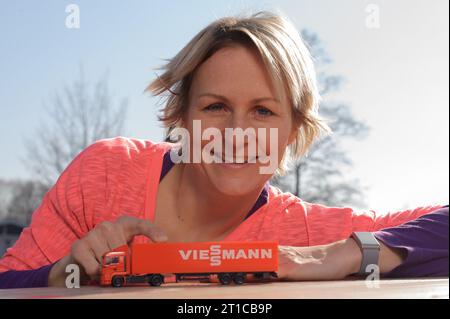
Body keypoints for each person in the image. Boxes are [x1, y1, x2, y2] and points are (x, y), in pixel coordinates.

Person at [0, 11, 447, 288]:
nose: (237, 133)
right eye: (216, 107)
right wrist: (64, 275)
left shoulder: (308, 233)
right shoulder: (104, 173)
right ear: (181, 117)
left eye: (264, 112)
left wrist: (334, 255)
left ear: (294, 131)